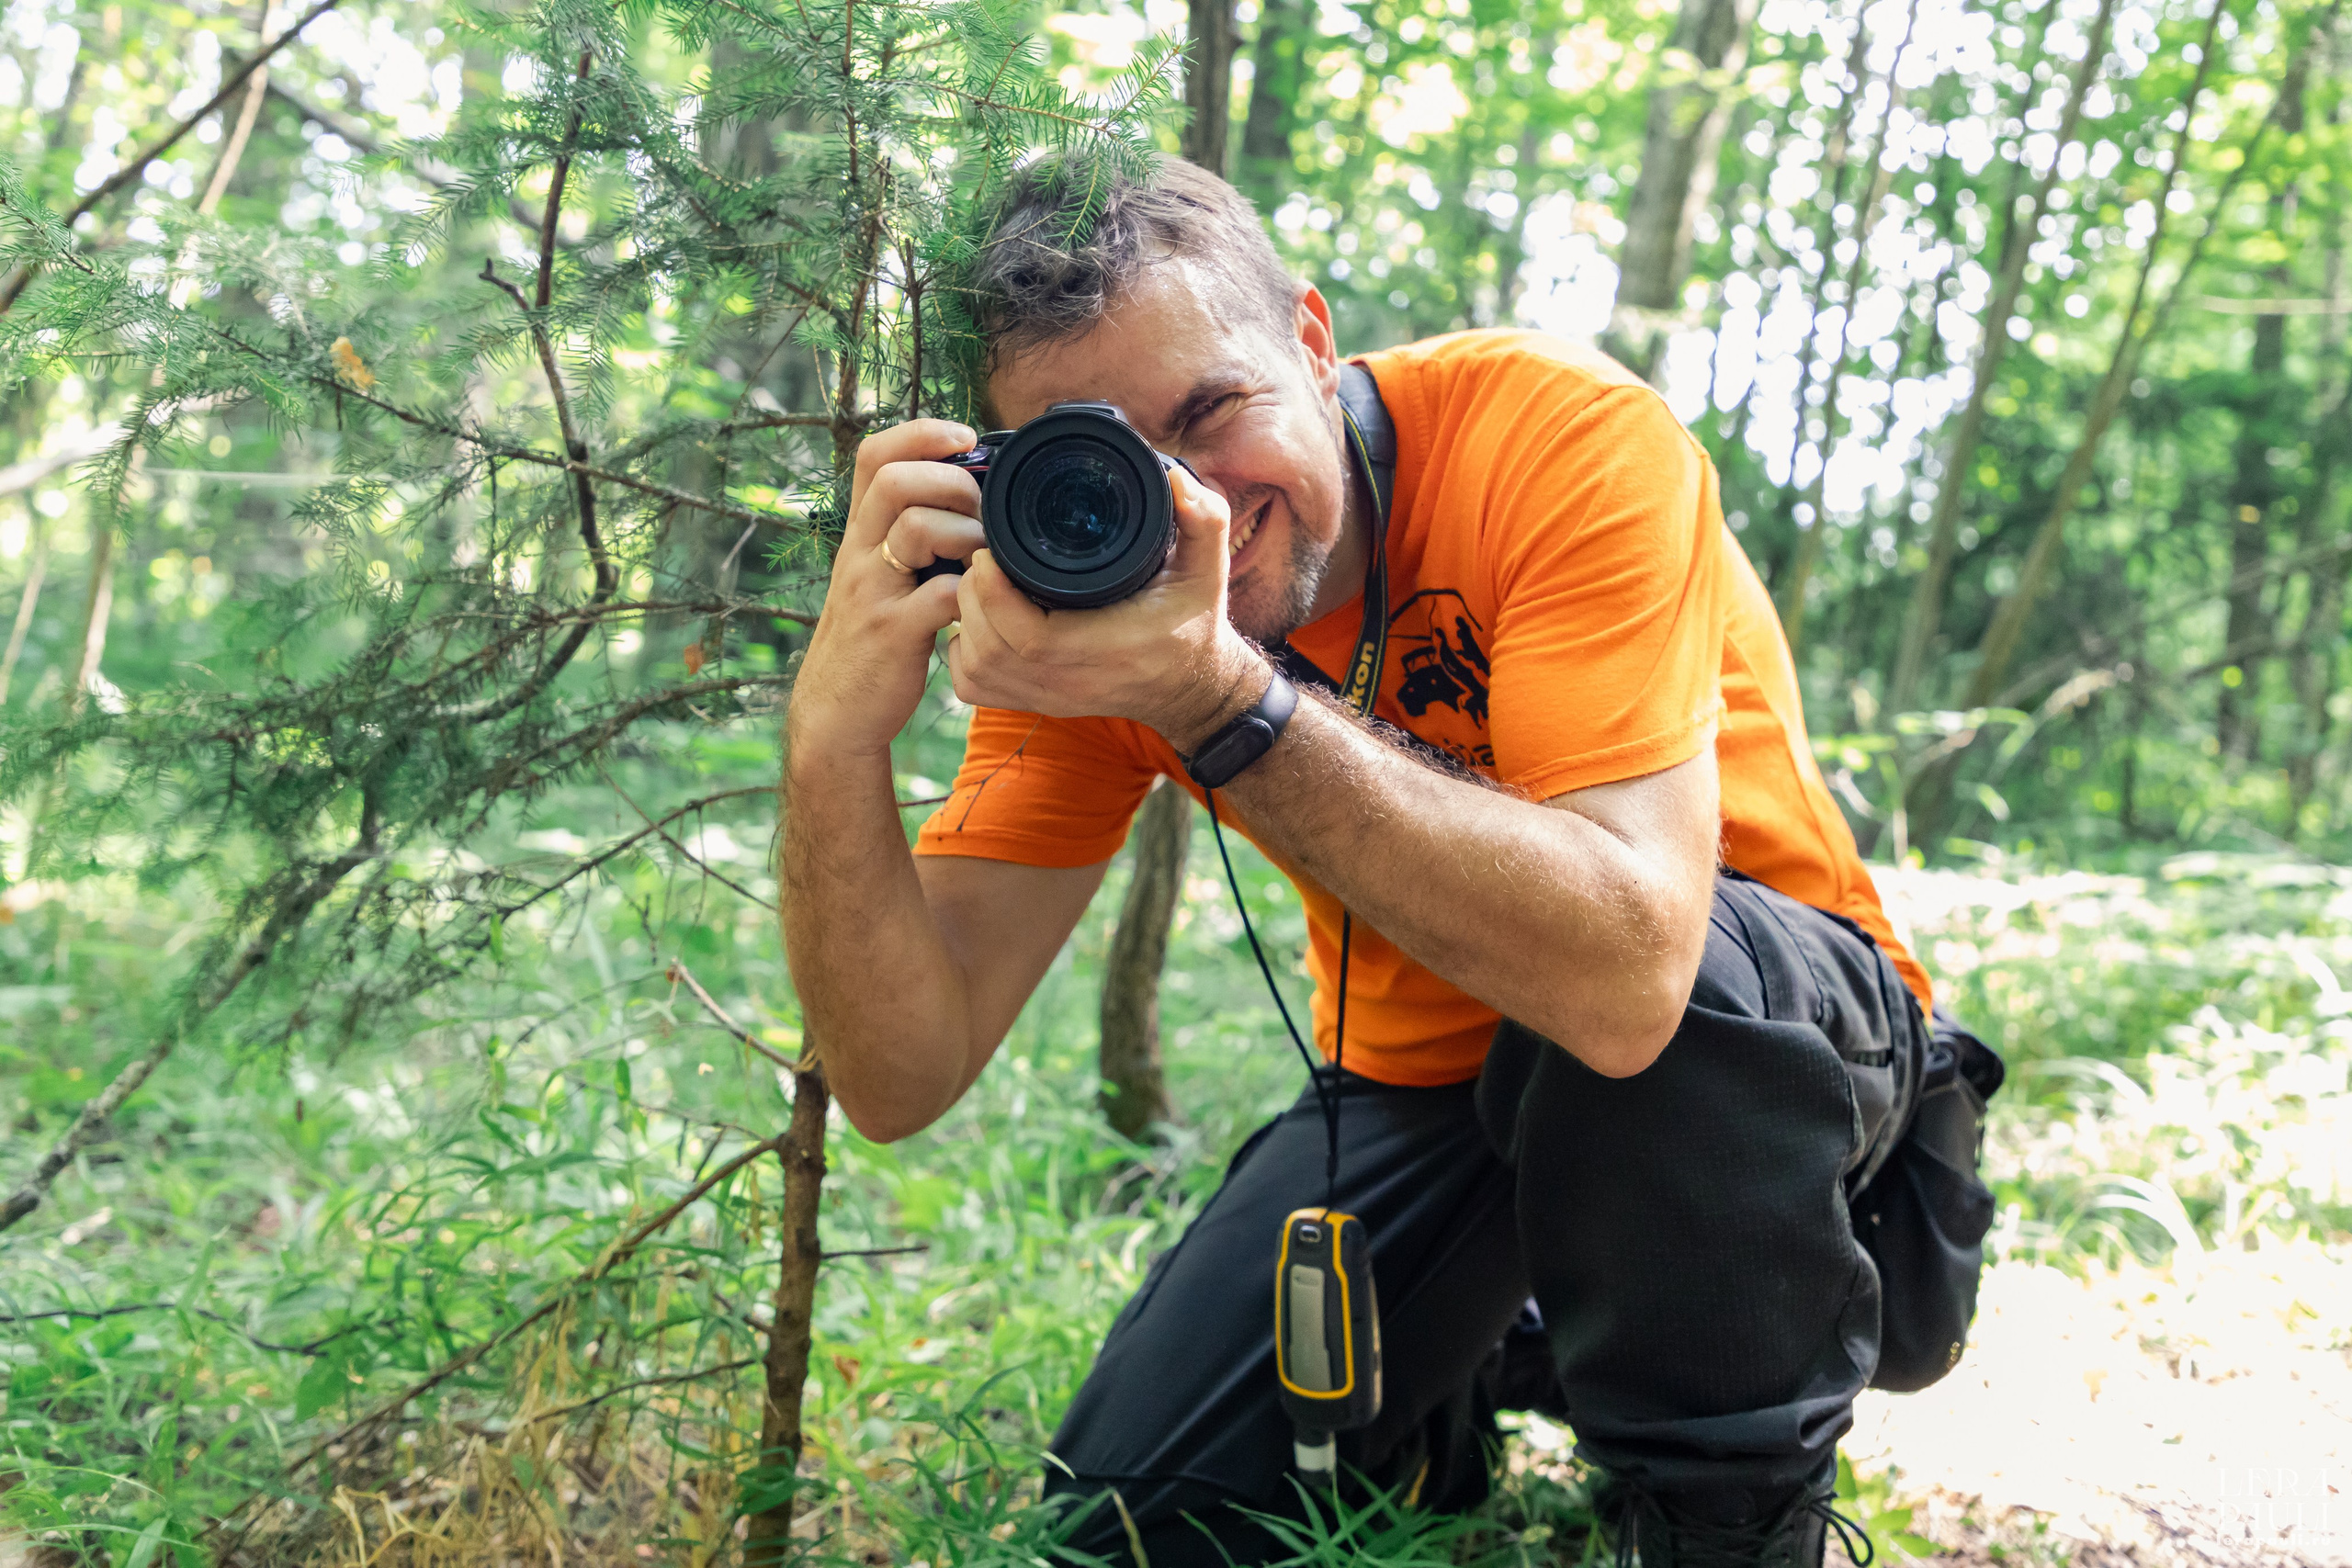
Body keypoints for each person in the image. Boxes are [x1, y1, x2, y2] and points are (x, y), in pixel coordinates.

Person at [781, 154, 1990, 1567]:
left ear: (1308, 337)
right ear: (1017, 483)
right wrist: (830, 743)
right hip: (1429, 1089)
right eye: (1098, 459)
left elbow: (1630, 979)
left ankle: (1723, 1520)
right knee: (1127, 1524)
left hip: (1771, 1064)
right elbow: (899, 1072)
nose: (1192, 505)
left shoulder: (1560, 436)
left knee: (1644, 1023)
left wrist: (1218, 699)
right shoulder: (1082, 618)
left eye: (1212, 412)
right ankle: (1508, 1348)